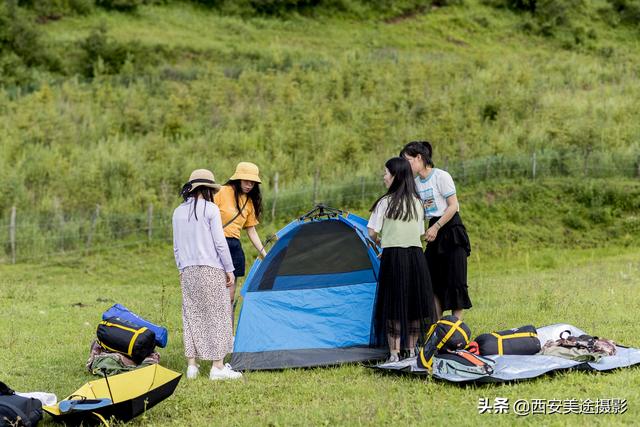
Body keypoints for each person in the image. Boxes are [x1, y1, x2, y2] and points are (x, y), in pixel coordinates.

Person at [172, 169, 242, 380]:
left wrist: (181, 269)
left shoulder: (177, 212)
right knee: (218, 314)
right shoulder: (210, 209)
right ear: (208, 189)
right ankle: (217, 367)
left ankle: (192, 366)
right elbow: (220, 243)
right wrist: (229, 269)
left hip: (188, 270)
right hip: (211, 268)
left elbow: (176, 246)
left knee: (191, 314)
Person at [367, 157, 436, 362]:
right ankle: (412, 350)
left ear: (395, 176)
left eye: (386, 173)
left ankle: (395, 353)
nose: (384, 176)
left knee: (393, 305)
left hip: (393, 257)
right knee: (414, 305)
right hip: (416, 257)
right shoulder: (417, 202)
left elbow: (371, 231)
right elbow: (419, 232)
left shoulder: (385, 202)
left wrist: (382, 240)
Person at [400, 141, 472, 320]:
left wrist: (437, 226)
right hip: (433, 233)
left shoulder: (441, 176)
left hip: (451, 229)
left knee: (456, 280)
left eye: (407, 160)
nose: (406, 165)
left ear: (419, 158)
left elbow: (453, 205)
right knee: (432, 281)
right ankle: (437, 327)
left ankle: (455, 330)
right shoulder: (415, 184)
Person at [214, 161, 267, 326]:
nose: (250, 185)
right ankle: (213, 335)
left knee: (229, 296)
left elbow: (251, 230)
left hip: (234, 247)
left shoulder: (249, 202)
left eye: (253, 182)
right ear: (238, 179)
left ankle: (228, 338)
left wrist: (265, 254)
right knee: (215, 295)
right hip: (216, 245)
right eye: (246, 181)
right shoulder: (222, 192)